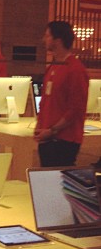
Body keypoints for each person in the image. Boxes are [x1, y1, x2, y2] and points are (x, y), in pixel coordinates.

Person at [34, 21, 88, 167]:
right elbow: (46, 100)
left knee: (61, 184)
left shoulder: (75, 69)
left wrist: (52, 130)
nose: (44, 39)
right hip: (47, 137)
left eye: (47, 36)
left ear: (58, 40)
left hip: (64, 139)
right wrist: (40, 125)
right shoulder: (53, 67)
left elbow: (76, 109)